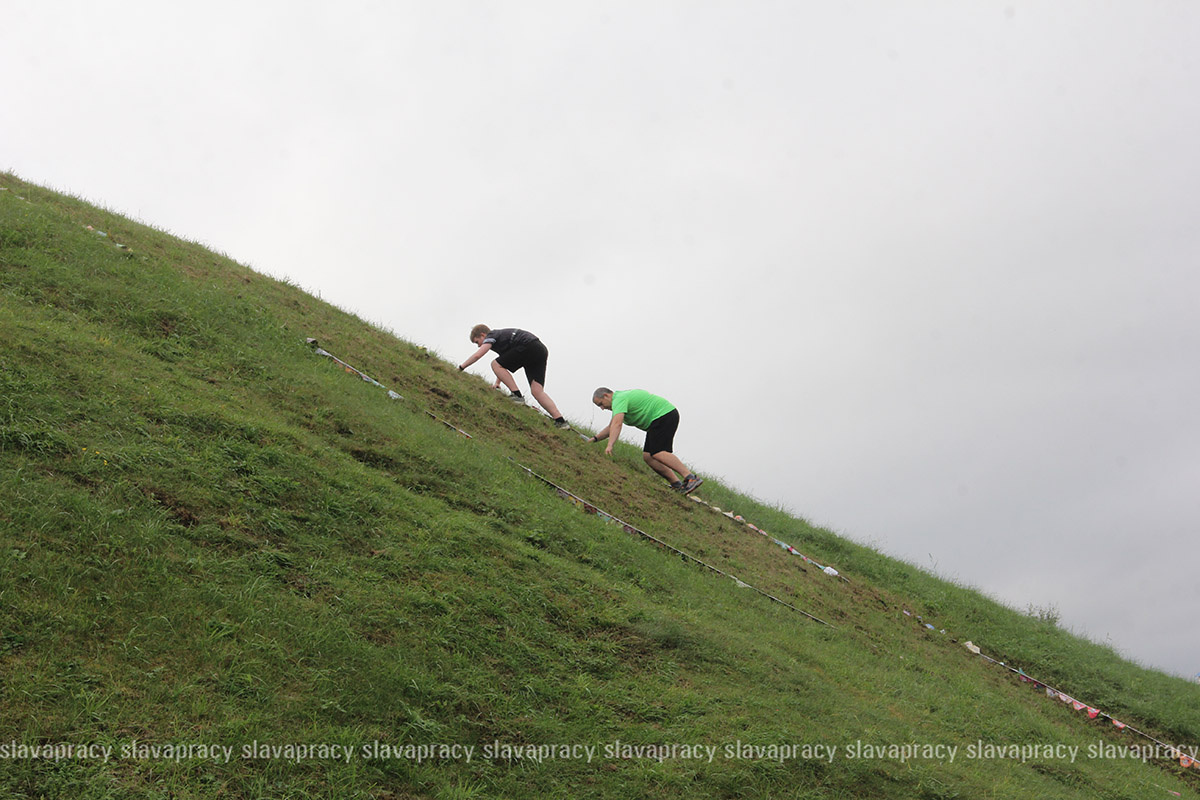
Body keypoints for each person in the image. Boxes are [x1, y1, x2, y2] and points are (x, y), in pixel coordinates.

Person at [588, 387, 703, 493]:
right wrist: (594, 439)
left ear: (606, 396)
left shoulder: (619, 399)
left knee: (658, 452)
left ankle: (691, 478)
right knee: (648, 457)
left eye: (601, 404)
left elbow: (617, 424)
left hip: (663, 415)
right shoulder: (619, 402)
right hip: (659, 419)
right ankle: (676, 484)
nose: (602, 408)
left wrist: (610, 445)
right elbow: (611, 427)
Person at [458, 325, 570, 429]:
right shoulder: (501, 339)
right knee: (537, 391)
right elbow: (503, 365)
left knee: (494, 364)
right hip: (540, 350)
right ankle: (560, 421)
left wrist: (461, 368)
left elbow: (478, 355)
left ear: (483, 335)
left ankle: (517, 395)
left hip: (528, 346)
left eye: (477, 342)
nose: (478, 346)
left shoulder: (492, 335)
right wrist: (497, 383)